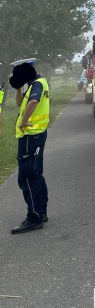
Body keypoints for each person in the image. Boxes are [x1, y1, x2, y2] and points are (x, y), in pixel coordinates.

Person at [8, 59, 50, 234]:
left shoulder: (37, 85)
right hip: (35, 136)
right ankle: (41, 212)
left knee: (27, 177)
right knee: (36, 174)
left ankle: (34, 217)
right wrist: (18, 87)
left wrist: (23, 122)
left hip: (30, 137)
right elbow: (20, 104)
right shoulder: (33, 84)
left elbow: (33, 103)